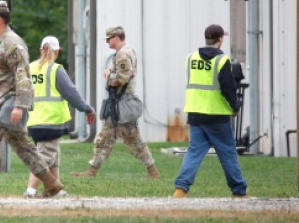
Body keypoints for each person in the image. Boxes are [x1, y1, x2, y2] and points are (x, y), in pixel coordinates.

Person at [0, 1, 65, 198]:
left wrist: (20, 105)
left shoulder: (12, 43)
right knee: (22, 146)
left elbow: (22, 75)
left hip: (8, 102)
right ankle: (52, 183)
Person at [70, 26, 160, 179]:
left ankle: (92, 172)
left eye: (109, 39)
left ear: (116, 37)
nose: (107, 42)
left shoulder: (123, 54)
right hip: (121, 103)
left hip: (120, 104)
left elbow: (123, 77)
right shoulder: (126, 52)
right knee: (124, 139)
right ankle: (152, 171)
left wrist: (107, 75)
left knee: (110, 138)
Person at [173, 24, 249, 198]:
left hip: (195, 114)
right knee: (228, 152)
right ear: (220, 40)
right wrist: (235, 107)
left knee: (194, 152)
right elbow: (228, 88)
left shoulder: (191, 58)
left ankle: (180, 190)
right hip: (217, 115)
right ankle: (239, 191)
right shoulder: (222, 60)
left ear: (206, 38)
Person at [24, 36, 95, 198]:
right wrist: (87, 108)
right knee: (43, 159)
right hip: (52, 120)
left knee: (53, 157)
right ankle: (30, 190)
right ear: (56, 51)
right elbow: (71, 93)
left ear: (41, 49)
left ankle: (55, 188)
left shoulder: (30, 68)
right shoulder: (55, 69)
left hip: (35, 120)